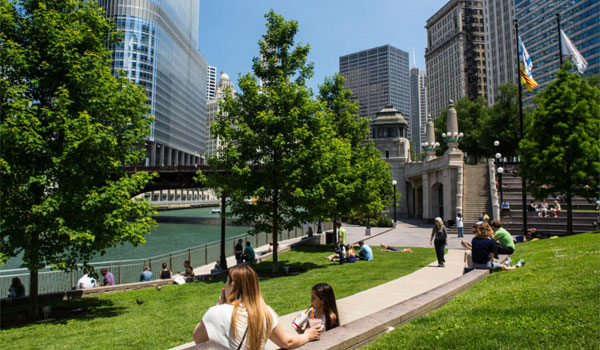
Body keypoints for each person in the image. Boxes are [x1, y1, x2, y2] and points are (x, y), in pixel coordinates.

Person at [192, 265, 322, 349]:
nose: (224, 286)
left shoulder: (216, 313)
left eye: (226, 281)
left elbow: (198, 339)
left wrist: (219, 305)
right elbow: (286, 342)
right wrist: (308, 335)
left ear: (233, 285)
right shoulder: (265, 312)